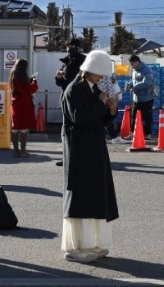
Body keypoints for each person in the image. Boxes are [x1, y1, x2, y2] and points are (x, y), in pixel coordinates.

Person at [60, 50, 120, 264]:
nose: (101, 79)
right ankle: (77, 246)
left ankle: (92, 243)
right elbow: (79, 117)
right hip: (79, 149)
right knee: (81, 196)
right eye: (99, 74)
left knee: (94, 194)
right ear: (90, 71)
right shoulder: (73, 89)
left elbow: (97, 120)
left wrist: (111, 111)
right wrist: (100, 103)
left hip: (93, 147)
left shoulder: (90, 88)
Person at [9, 58, 38, 158]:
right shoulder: (23, 77)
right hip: (24, 104)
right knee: (24, 129)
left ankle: (15, 151)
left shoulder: (13, 76)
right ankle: (23, 151)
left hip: (15, 104)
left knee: (15, 128)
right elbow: (31, 89)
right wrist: (34, 81)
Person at [127, 55, 156, 139]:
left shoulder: (147, 70)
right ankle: (133, 133)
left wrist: (135, 87)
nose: (131, 66)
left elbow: (148, 82)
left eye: (132, 64)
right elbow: (134, 80)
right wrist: (130, 84)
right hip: (137, 98)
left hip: (147, 98)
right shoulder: (134, 71)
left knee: (147, 116)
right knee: (134, 116)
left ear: (137, 62)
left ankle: (148, 134)